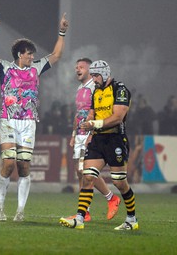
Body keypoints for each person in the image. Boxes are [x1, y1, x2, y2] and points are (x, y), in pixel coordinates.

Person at [0, 13, 69, 221]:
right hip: (8, 120)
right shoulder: (5, 68)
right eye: (29, 54)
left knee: (24, 166)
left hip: (29, 122)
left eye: (33, 54)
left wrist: (62, 32)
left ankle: (20, 211)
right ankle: (0, 207)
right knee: (8, 163)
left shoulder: (36, 68)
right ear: (20, 54)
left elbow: (56, 55)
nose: (32, 57)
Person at [59, 60, 138, 230]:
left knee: (119, 182)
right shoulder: (96, 91)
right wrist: (88, 124)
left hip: (116, 139)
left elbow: (117, 117)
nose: (93, 79)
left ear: (104, 73)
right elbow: (92, 113)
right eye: (92, 75)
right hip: (97, 140)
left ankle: (132, 219)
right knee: (87, 177)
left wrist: (94, 124)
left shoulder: (120, 90)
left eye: (95, 75)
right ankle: (79, 218)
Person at [67, 58, 120, 222]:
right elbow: (79, 113)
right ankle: (86, 211)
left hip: (92, 133)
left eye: (81, 67)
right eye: (76, 67)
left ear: (90, 70)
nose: (77, 69)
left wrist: (92, 134)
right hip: (80, 133)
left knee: (86, 170)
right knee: (79, 172)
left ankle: (111, 198)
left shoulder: (95, 86)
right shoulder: (80, 88)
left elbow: (97, 112)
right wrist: (74, 134)